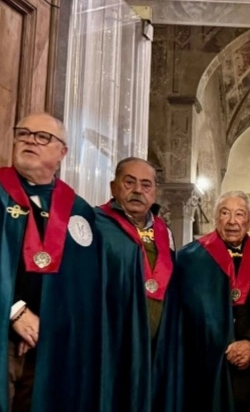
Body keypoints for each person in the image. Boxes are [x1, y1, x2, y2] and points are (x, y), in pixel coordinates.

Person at [0, 113, 148, 411]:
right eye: (23, 133)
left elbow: (81, 283)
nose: (31, 140)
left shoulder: (77, 211)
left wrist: (46, 325)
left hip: (50, 346)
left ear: (62, 152)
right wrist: (16, 313)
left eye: (43, 137)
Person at [154, 191, 250, 411]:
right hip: (204, 366)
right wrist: (220, 343)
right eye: (225, 213)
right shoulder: (189, 259)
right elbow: (179, 318)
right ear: (216, 218)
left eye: (240, 214)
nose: (232, 221)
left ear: (249, 220)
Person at [95, 157, 169, 408]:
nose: (138, 190)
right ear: (113, 186)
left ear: (155, 191)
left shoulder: (163, 231)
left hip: (154, 345)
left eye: (146, 185)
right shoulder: (96, 224)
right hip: (111, 338)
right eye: (129, 182)